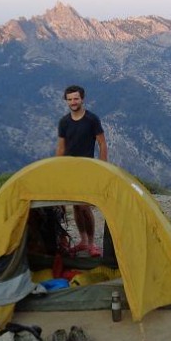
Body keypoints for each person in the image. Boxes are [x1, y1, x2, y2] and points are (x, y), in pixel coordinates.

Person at [55, 84, 108, 256]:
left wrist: (102, 166)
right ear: (66, 101)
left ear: (82, 99)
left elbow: (101, 143)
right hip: (70, 170)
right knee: (76, 207)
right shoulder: (64, 122)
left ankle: (92, 244)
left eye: (76, 98)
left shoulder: (92, 119)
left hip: (87, 168)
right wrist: (55, 169)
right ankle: (83, 241)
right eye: (70, 99)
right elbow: (61, 148)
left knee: (84, 207)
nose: (73, 102)